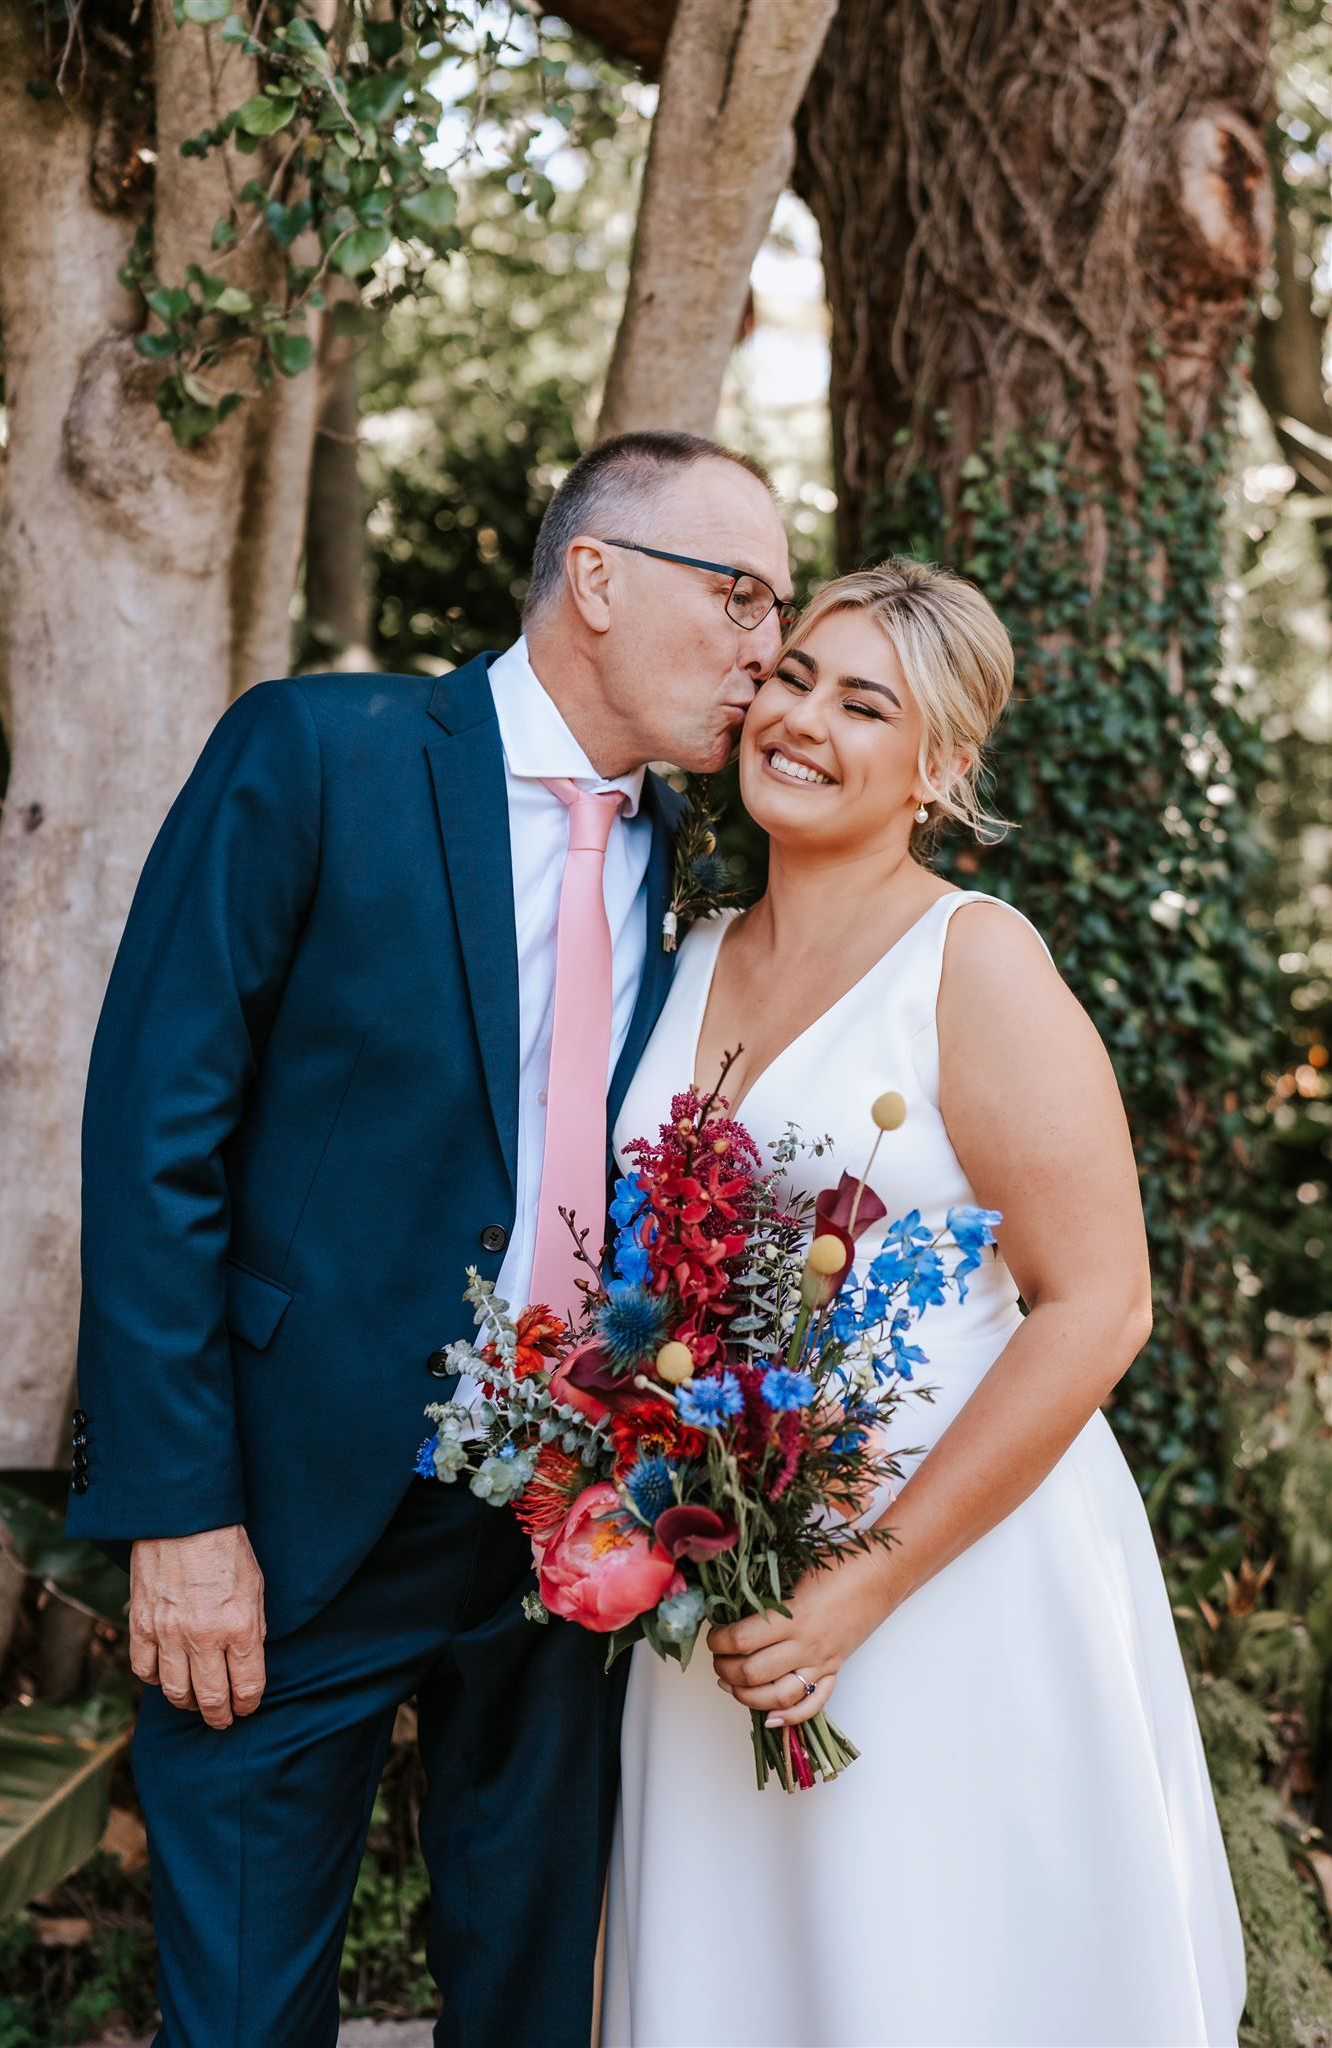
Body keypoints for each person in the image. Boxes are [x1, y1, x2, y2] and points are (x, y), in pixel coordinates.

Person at [67, 429, 794, 2048]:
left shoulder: (690, 854)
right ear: (594, 579)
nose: (767, 649)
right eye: (739, 595)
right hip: (287, 1515)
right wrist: (182, 1511)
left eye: (778, 612)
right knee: (243, 2015)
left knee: (534, 2007)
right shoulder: (319, 751)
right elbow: (151, 1136)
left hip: (568, 1537)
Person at [604, 560, 1245, 2048]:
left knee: (940, 1970)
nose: (800, 718)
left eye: (862, 701)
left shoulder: (976, 960)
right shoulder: (684, 950)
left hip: (949, 1582)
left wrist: (864, 1583)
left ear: (940, 769)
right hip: (726, 1574)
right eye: (792, 677)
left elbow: (1098, 1305)